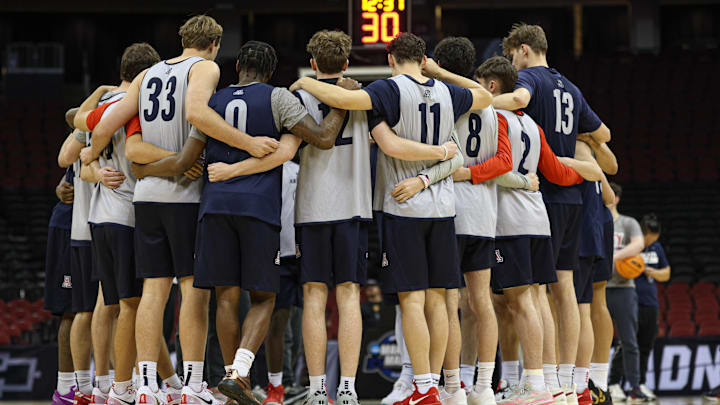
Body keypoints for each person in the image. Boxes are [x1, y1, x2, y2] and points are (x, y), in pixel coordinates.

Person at [79, 15, 277, 404]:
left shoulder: (148, 73)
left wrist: (91, 155)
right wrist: (250, 144)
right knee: (192, 290)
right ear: (215, 44)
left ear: (181, 38)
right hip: (184, 194)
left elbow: (106, 121)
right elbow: (197, 115)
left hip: (146, 194)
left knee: (153, 289)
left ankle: (147, 387)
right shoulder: (205, 67)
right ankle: (192, 385)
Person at [291, 31, 492, 405]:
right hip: (444, 208)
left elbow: (343, 99)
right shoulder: (449, 92)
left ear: (390, 58)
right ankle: (444, 387)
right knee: (441, 301)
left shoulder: (390, 88)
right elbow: (485, 96)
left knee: (413, 301)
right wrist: (441, 74)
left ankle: (425, 388)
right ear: (424, 58)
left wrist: (305, 81)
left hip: (403, 207)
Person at [494, 23, 611, 403]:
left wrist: (475, 101)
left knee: (536, 291)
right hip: (575, 197)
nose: (512, 63)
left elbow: (516, 100)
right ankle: (570, 384)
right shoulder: (570, 86)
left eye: (512, 55)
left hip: (541, 193)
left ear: (524, 49)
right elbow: (604, 133)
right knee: (566, 292)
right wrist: (578, 143)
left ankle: (542, 380)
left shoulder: (527, 77)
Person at [575, 134, 618, 405]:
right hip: (598, 219)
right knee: (590, 303)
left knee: (578, 302)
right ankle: (597, 382)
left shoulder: (582, 142)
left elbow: (612, 168)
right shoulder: (583, 144)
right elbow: (611, 194)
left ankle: (587, 382)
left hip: (586, 221)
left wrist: (595, 139)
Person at [610, 214, 669, 401]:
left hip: (651, 302)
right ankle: (614, 383)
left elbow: (666, 273)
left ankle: (640, 383)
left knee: (645, 346)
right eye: (649, 238)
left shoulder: (657, 248)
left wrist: (653, 272)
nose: (651, 242)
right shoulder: (630, 244)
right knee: (626, 344)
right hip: (630, 298)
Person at [263, 158, 301, 405]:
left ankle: (302, 382)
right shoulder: (270, 169)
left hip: (308, 252)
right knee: (277, 324)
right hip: (279, 254)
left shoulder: (306, 167)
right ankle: (274, 385)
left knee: (300, 328)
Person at [605, 183, 648, 403]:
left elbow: (639, 244)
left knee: (629, 341)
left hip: (623, 289)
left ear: (617, 198)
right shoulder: (597, 220)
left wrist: (613, 257)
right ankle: (597, 384)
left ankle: (635, 386)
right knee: (596, 340)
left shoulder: (628, 223)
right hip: (599, 288)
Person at [46, 169, 76, 405]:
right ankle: (65, 389)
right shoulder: (83, 136)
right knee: (71, 310)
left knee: (107, 308)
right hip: (69, 226)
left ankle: (108, 383)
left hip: (96, 225)